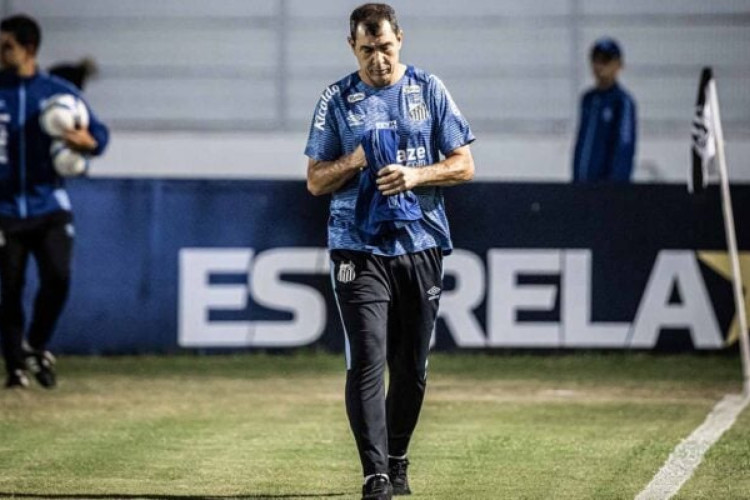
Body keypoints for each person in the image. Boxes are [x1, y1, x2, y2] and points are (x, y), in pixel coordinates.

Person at [304, 4, 474, 499]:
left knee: (412, 368)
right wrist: (356, 160)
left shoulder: (428, 89)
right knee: (367, 360)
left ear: (400, 39)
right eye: (366, 50)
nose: (377, 59)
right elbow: (315, 180)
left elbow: (464, 164)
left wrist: (416, 175)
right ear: (351, 47)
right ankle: (375, 474)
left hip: (420, 242)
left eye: (384, 48)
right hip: (357, 247)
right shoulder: (337, 99)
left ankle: (397, 457)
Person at [0, 14, 109, 389]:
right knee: (9, 288)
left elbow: (99, 135)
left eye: (7, 47)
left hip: (48, 205)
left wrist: (88, 143)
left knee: (58, 278)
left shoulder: (57, 93)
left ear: (29, 48)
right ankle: (15, 369)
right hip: (4, 210)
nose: (1, 53)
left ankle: (36, 344)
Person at [572, 37, 637, 183]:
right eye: (596, 60)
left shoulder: (622, 102)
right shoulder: (588, 99)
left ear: (618, 64)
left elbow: (624, 147)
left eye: (605, 60)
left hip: (606, 189)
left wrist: (614, 187)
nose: (600, 66)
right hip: (582, 186)